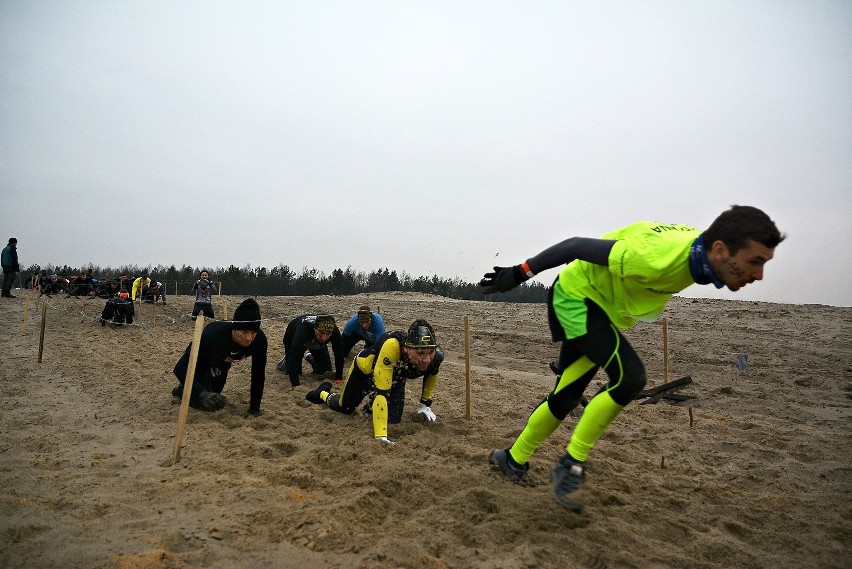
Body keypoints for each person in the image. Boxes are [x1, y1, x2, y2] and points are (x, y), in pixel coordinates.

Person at [480, 205, 785, 512]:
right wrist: (520, 272)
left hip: (600, 305)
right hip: (577, 299)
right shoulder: (654, 259)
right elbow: (574, 245)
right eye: (755, 262)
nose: (759, 275)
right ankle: (571, 464)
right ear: (720, 250)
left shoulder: (700, 249)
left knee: (567, 396)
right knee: (631, 378)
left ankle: (511, 459)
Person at [305, 319, 444, 444]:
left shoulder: (435, 357)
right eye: (420, 353)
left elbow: (432, 375)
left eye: (429, 352)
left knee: (393, 419)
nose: (426, 359)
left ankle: (371, 407)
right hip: (365, 372)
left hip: (395, 378)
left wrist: (424, 405)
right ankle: (322, 392)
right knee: (345, 408)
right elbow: (382, 392)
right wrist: (381, 436)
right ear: (407, 348)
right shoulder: (391, 346)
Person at [171, 297, 268, 417]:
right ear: (235, 327)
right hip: (204, 360)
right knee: (204, 403)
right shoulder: (212, 335)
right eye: (244, 331)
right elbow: (180, 368)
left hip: (222, 363)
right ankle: (181, 390)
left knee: (215, 399)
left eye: (253, 332)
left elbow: (258, 374)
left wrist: (254, 409)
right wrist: (202, 393)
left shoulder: (259, 340)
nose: (249, 338)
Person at [279, 314, 344, 387]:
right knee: (296, 371)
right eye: (321, 333)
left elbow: (339, 353)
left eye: (328, 334)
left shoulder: (333, 330)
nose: (324, 337)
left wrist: (338, 377)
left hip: (316, 342)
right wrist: (295, 385)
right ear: (315, 329)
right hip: (293, 337)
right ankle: (285, 361)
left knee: (325, 371)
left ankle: (309, 357)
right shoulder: (303, 330)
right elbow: (293, 357)